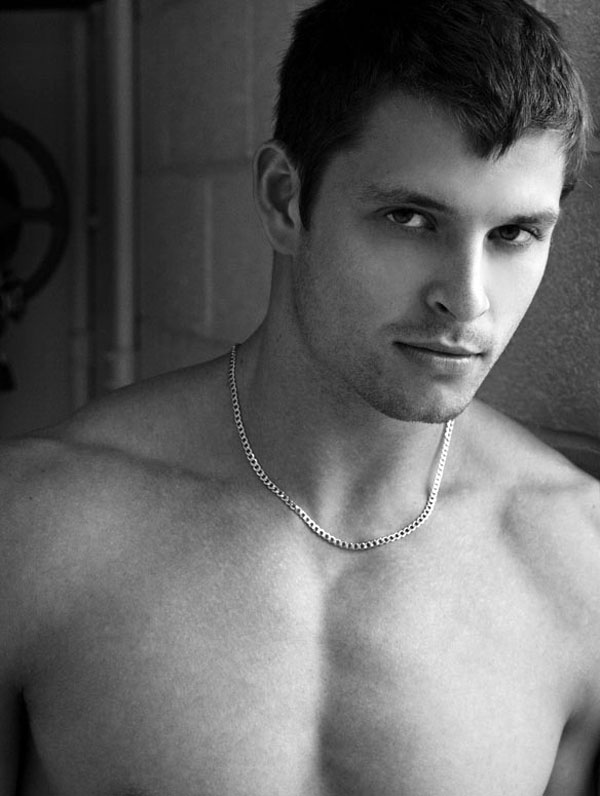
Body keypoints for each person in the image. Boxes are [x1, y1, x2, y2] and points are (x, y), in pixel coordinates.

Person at [1, 0, 599, 793]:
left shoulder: (579, 559)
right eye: (410, 217)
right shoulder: (35, 526)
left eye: (514, 234)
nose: (468, 300)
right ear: (286, 198)